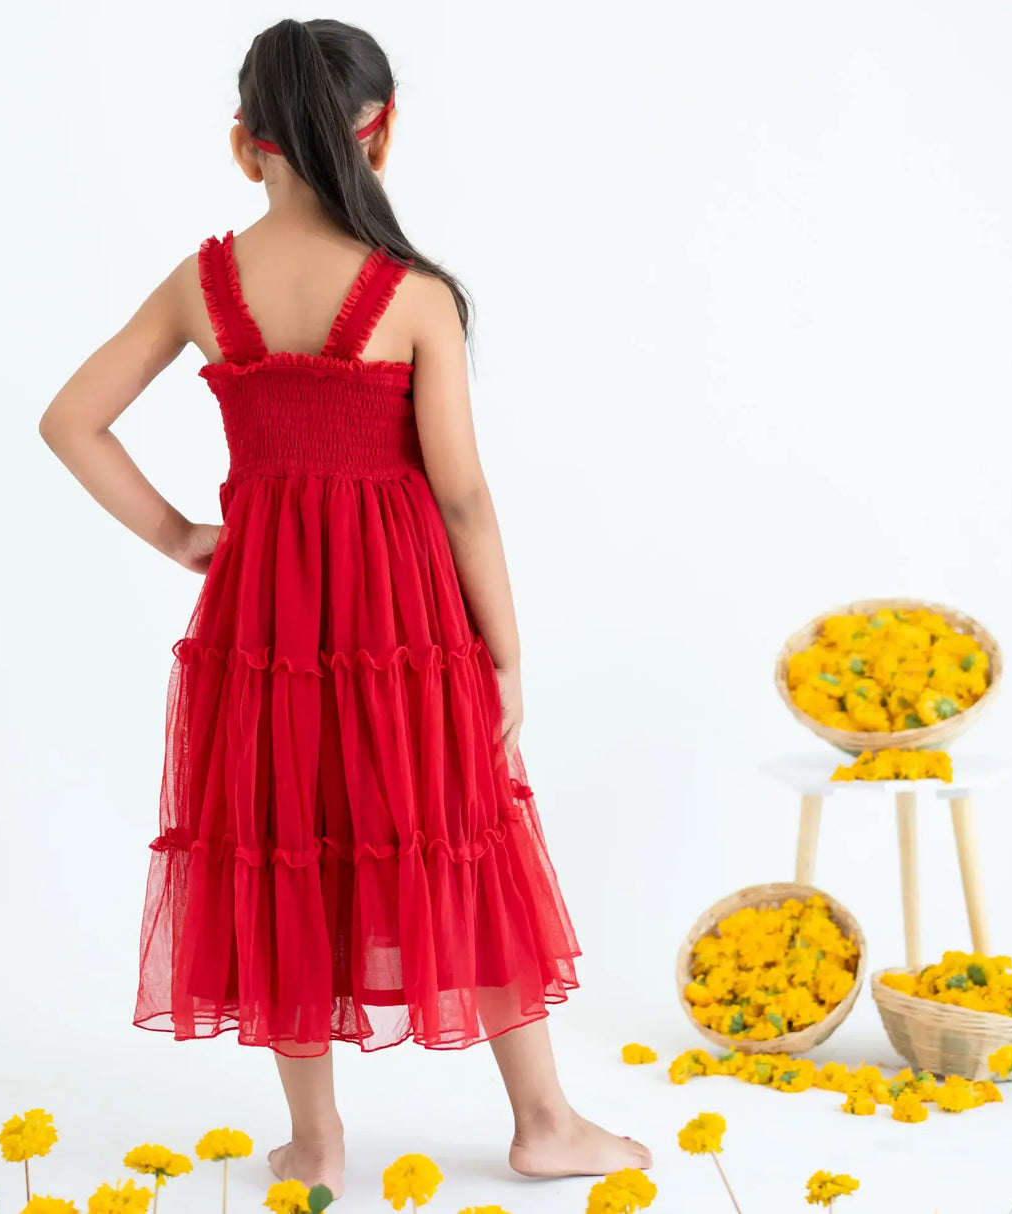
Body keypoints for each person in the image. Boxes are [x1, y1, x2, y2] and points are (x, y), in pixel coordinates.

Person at [38, 16, 651, 1198]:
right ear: (382, 137)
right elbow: (462, 496)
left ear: (240, 146)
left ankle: (315, 1146)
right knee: (457, 836)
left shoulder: (205, 283)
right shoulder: (411, 294)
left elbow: (71, 420)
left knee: (278, 846)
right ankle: (542, 1120)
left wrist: (182, 538)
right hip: (404, 622)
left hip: (261, 622)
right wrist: (505, 651)